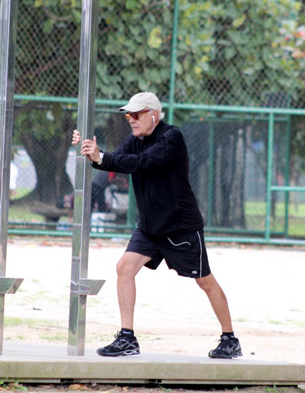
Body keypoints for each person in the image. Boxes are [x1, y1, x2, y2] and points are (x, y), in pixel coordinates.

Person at [71, 92, 242, 359]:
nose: (131, 119)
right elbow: (115, 160)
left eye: (137, 114)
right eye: (129, 114)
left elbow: (144, 163)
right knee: (124, 267)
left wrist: (102, 157)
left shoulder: (170, 137)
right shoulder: (134, 140)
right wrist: (90, 152)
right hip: (150, 228)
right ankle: (127, 338)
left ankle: (230, 339)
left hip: (180, 227)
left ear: (153, 114)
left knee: (205, 281)